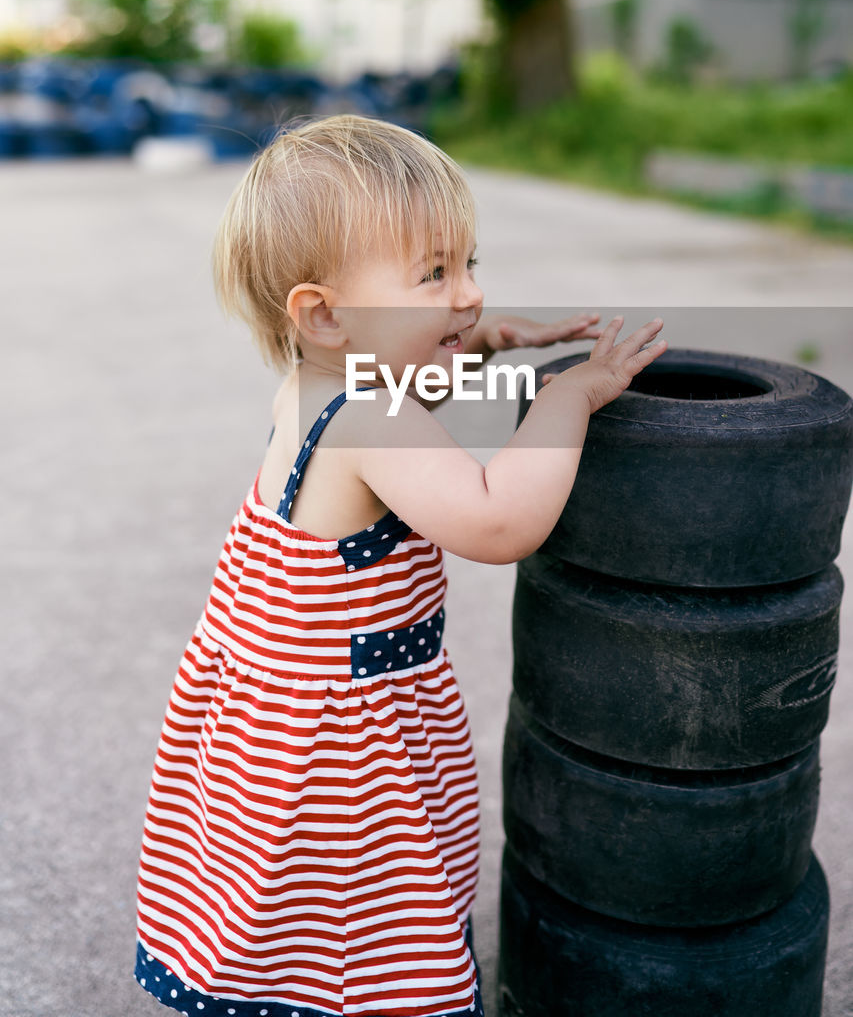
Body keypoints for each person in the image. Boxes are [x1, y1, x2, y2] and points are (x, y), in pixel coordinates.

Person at [133, 114, 666, 1017]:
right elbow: (499, 522)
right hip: (340, 756)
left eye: (468, 263)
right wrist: (569, 396)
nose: (466, 295)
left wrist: (487, 344)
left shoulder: (317, 384)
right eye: (433, 274)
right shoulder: (374, 418)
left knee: (287, 915)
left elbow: (417, 380)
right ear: (326, 313)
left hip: (274, 723)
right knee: (363, 923)